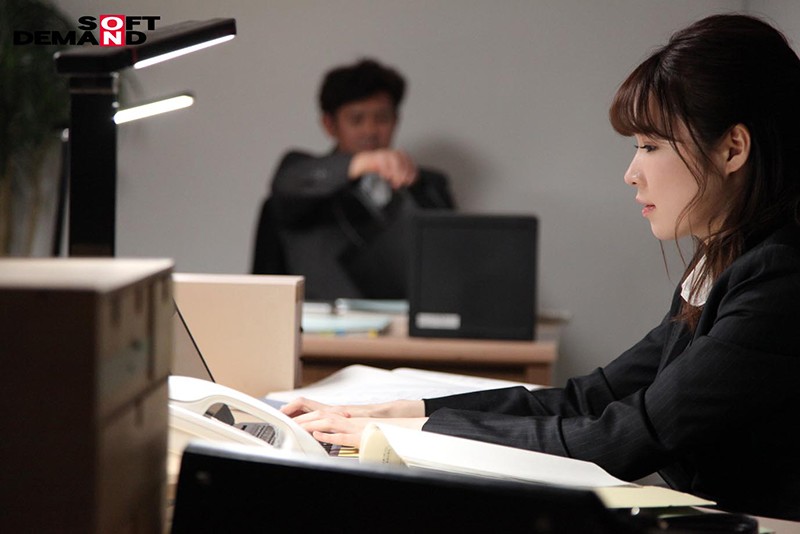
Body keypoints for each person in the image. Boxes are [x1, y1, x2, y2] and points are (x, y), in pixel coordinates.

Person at [280, 14, 800, 521]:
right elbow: (593, 396)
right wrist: (404, 413)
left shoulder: (778, 278)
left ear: (733, 148)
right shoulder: (726, 261)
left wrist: (405, 436)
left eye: (650, 146)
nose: (631, 173)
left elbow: (622, 438)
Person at [265, 58, 455, 300]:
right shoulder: (305, 176)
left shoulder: (428, 184)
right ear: (330, 124)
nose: (370, 130)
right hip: (324, 320)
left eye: (382, 118)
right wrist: (361, 163)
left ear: (396, 120)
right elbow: (289, 183)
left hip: (407, 318)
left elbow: (449, 257)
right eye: (356, 119)